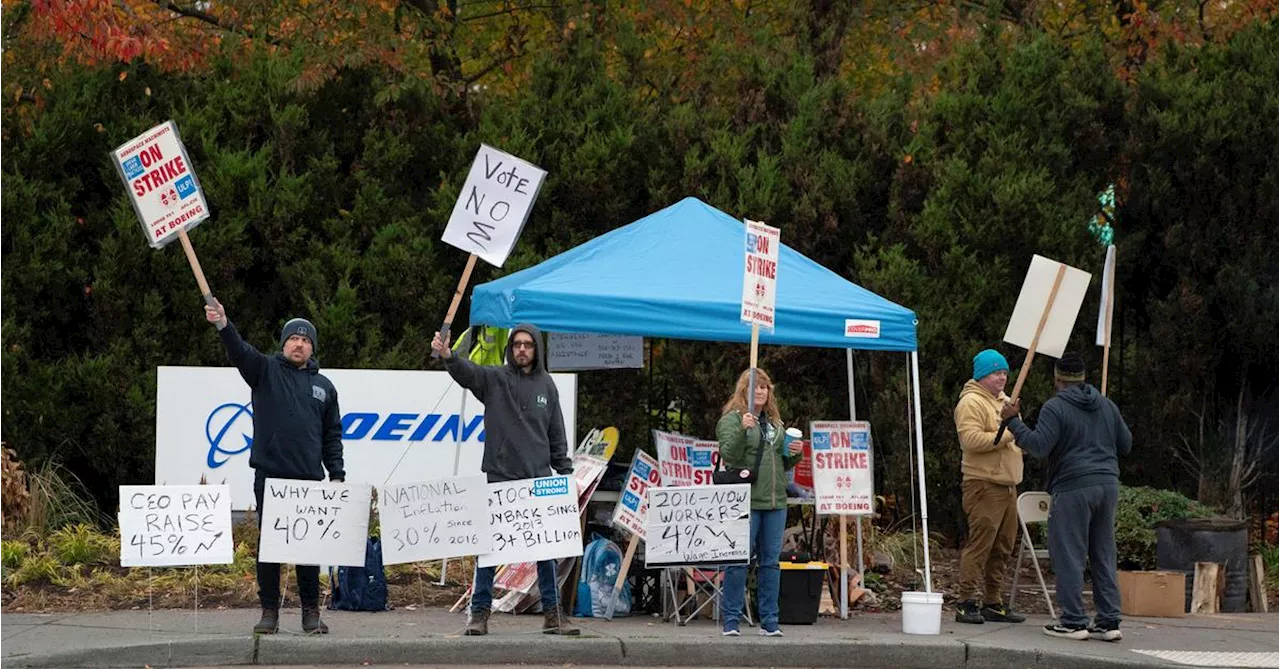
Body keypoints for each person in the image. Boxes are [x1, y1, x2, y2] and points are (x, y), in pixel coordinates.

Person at [204, 300, 345, 636]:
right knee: (270, 548)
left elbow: (332, 434)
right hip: (270, 479)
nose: (299, 344)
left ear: (313, 348)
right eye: (293, 339)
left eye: (306, 340)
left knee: (307, 550)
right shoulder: (263, 370)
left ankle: (311, 613)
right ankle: (269, 612)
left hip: (309, 480)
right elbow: (239, 351)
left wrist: (337, 473)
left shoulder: (325, 387)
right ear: (283, 344)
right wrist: (224, 323)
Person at [432, 324, 578, 637]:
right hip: (499, 478)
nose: (522, 349)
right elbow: (467, 372)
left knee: (545, 552)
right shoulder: (495, 379)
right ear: (510, 348)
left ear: (537, 349)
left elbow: (556, 433)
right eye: (517, 345)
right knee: (488, 551)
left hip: (538, 479)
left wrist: (564, 470)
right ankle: (480, 614)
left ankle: (553, 615)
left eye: (528, 345)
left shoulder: (547, 386)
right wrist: (447, 355)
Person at [1002, 351, 1132, 642]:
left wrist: (1013, 421)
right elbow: (1126, 443)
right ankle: (1109, 621)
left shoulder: (1055, 407)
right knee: (1103, 552)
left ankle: (1074, 621)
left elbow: (1038, 446)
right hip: (1108, 484)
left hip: (1073, 486)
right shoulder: (1107, 405)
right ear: (1084, 377)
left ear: (1057, 379)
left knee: (1069, 554)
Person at [716, 369, 803, 637]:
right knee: (738, 561)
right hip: (747, 500)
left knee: (770, 563)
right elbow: (728, 453)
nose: (761, 392)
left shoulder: (775, 423)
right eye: (755, 387)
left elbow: (781, 462)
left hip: (776, 501)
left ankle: (770, 620)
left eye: (765, 387)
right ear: (744, 390)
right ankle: (731, 619)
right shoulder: (733, 419)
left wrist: (794, 455)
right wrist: (743, 430)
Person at [953, 349, 1027, 625]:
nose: (1003, 378)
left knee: (1003, 546)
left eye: (1005, 373)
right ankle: (966, 601)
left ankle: (993, 601)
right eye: (997, 373)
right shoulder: (971, 403)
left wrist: (1022, 436)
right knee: (980, 544)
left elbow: (1014, 436)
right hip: (984, 484)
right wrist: (1010, 432)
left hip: (1008, 485)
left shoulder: (1005, 401)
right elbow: (970, 441)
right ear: (982, 375)